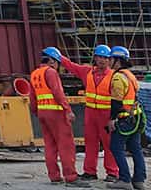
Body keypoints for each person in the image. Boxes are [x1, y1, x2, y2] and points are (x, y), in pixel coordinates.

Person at [31, 46, 88, 186]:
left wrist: (37, 112)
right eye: (58, 63)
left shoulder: (34, 74)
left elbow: (32, 98)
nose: (58, 67)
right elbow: (58, 92)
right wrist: (67, 109)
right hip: (56, 113)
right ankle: (71, 177)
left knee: (50, 145)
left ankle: (54, 176)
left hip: (43, 113)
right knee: (66, 145)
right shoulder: (50, 72)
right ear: (53, 61)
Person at [62, 44, 119, 181]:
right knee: (90, 142)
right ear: (95, 58)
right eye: (99, 57)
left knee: (109, 144)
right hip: (91, 113)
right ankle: (90, 172)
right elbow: (71, 66)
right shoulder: (87, 72)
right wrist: (58, 56)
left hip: (106, 114)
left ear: (109, 60)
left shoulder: (114, 76)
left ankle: (112, 172)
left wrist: (115, 116)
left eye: (105, 58)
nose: (102, 60)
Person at [107, 46, 146, 190]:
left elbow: (116, 102)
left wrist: (112, 119)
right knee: (136, 149)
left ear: (118, 61)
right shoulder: (130, 75)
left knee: (116, 147)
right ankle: (139, 180)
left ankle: (124, 179)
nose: (109, 61)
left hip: (124, 119)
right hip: (135, 117)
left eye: (111, 59)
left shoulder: (118, 77)